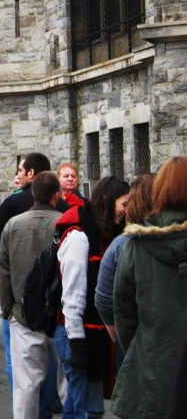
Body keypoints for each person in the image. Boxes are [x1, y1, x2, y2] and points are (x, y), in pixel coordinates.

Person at [0, 153, 69, 406]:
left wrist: (8, 306)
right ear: (56, 194)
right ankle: (50, 407)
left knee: (25, 382)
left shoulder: (13, 221)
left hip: (22, 310)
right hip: (60, 310)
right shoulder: (67, 220)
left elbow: (1, 263)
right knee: (61, 375)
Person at [111, 157, 187, 419]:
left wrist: (141, 345)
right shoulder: (136, 245)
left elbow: (122, 309)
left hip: (152, 362)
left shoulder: (137, 245)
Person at [54, 176, 130, 419]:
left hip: (91, 336)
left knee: (83, 407)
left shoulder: (105, 236)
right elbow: (72, 298)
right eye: (124, 204)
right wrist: (78, 345)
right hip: (78, 335)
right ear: (107, 201)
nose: (127, 211)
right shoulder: (79, 238)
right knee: (83, 410)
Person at [95, 173, 155, 342]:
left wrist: (123, 339)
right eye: (124, 204)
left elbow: (104, 300)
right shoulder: (122, 244)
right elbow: (104, 299)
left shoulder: (121, 244)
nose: (127, 209)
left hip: (138, 341)